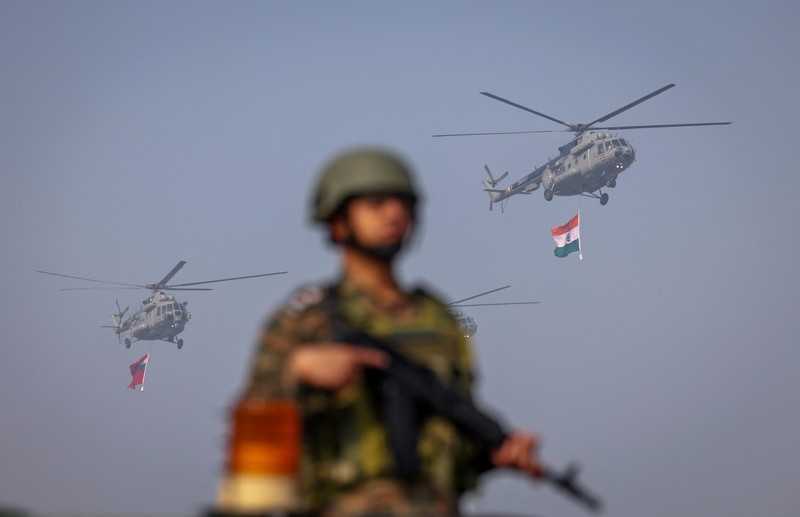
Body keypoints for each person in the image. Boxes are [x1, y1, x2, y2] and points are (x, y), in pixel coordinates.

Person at [243, 147, 543, 517]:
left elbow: (451, 444)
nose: (395, 213)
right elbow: (254, 442)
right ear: (337, 220)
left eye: (404, 203)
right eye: (376, 202)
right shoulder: (306, 319)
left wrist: (492, 454)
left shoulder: (438, 319)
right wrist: (296, 370)